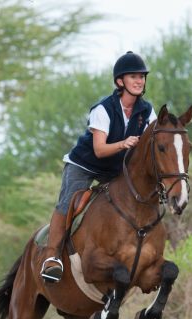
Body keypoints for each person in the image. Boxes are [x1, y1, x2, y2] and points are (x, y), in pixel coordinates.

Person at [41, 51, 158, 283]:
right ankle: (51, 257)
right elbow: (100, 150)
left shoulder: (147, 111)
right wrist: (124, 143)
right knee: (69, 203)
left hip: (115, 168)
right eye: (133, 76)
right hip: (84, 164)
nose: (139, 81)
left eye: (142, 77)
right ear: (119, 82)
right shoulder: (103, 109)